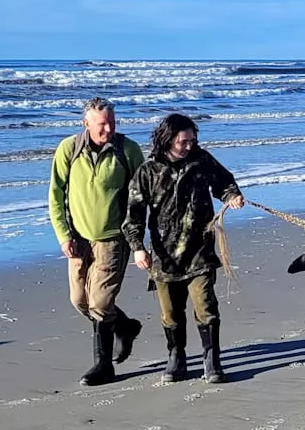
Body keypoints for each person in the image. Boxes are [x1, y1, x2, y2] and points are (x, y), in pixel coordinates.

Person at [123, 113, 245, 384]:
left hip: (200, 250)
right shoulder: (148, 171)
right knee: (170, 312)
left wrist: (232, 195)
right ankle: (176, 357)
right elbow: (134, 213)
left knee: (205, 305)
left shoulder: (201, 160)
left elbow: (224, 181)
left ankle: (212, 360)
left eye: (192, 140)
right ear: (168, 140)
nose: (190, 145)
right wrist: (137, 248)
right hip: (164, 256)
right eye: (184, 141)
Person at [47, 96, 146, 386]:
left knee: (101, 302)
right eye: (102, 124)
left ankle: (103, 365)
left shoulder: (127, 150)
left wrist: (137, 239)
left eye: (112, 123)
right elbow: (55, 195)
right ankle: (125, 327)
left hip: (114, 239)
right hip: (78, 240)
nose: (108, 129)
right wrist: (63, 235)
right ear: (86, 123)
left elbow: (141, 197)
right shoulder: (69, 149)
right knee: (79, 301)